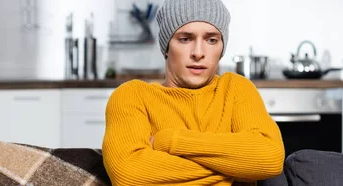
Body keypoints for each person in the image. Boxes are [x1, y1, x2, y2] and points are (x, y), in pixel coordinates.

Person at [101, 0, 285, 185]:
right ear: (166, 46)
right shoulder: (132, 96)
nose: (198, 52)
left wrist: (171, 141)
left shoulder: (236, 88)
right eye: (185, 39)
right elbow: (128, 174)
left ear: (221, 48)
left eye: (211, 40)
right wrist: (235, 169)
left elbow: (270, 158)